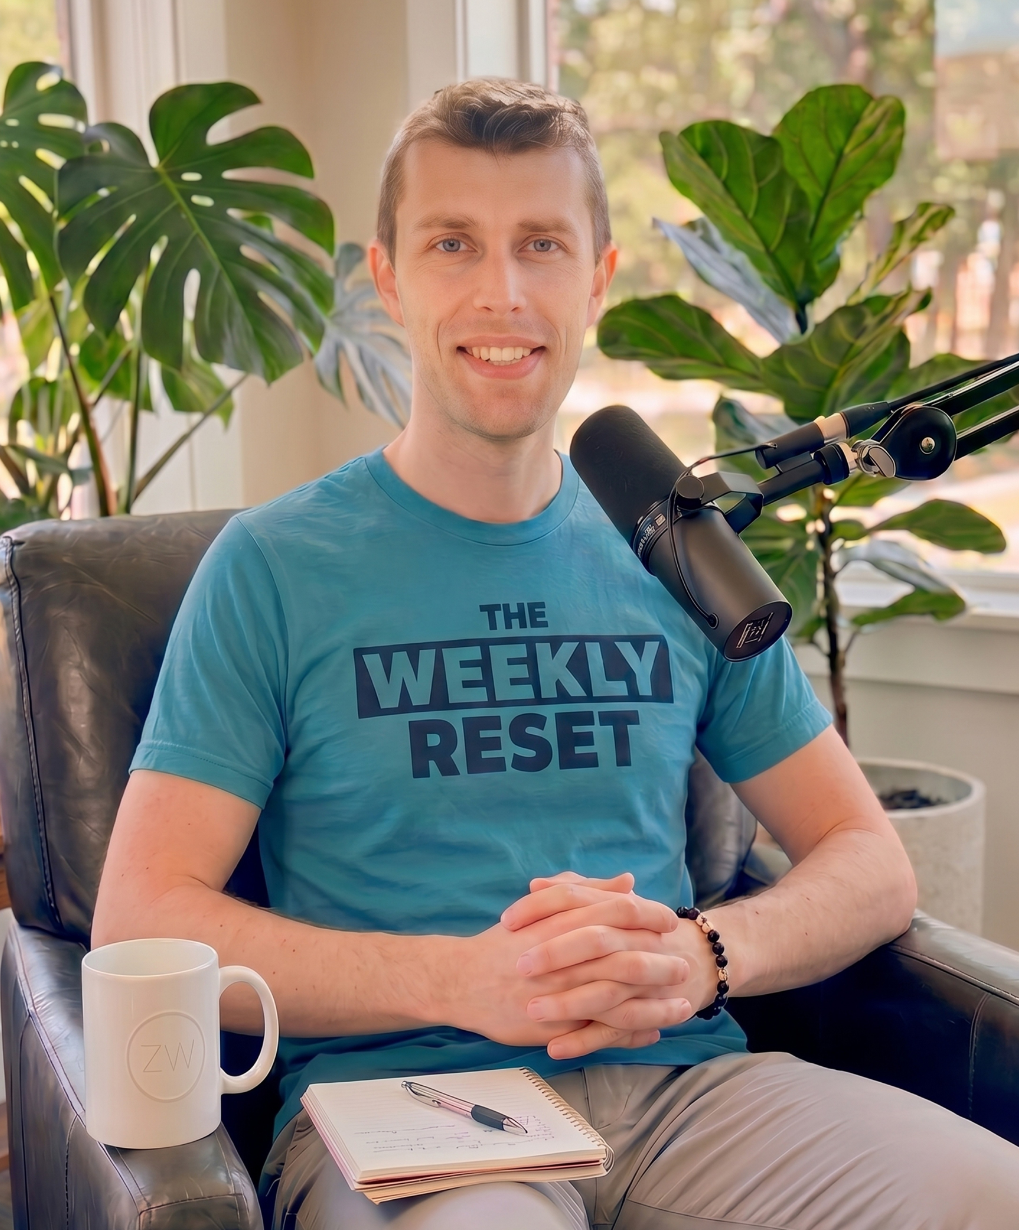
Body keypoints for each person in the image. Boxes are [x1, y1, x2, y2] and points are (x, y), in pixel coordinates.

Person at [92, 79, 1019, 1229]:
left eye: (540, 245)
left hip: (689, 1091)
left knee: (991, 1194)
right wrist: (461, 982)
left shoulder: (678, 550)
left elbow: (868, 863)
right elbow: (142, 916)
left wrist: (702, 957)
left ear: (597, 277)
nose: (502, 291)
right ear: (386, 276)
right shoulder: (273, 568)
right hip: (412, 1106)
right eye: (452, 243)